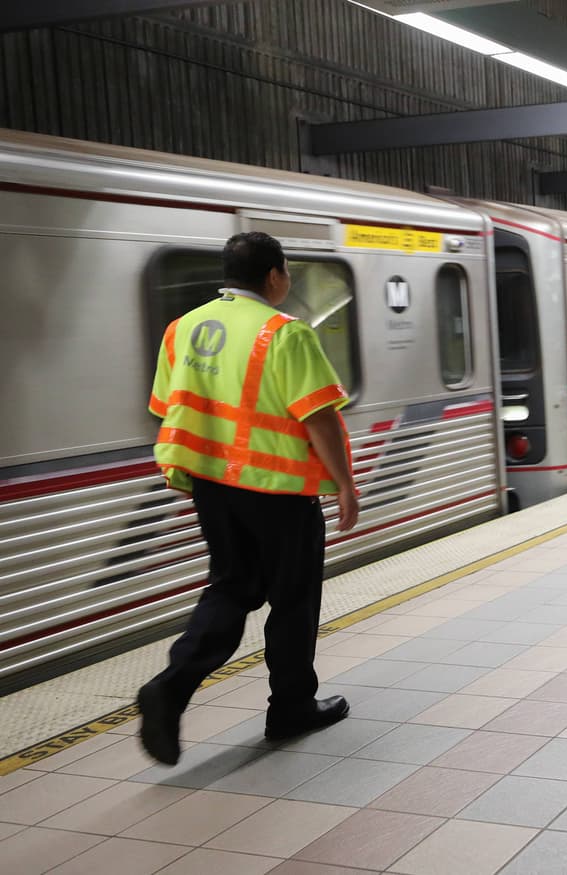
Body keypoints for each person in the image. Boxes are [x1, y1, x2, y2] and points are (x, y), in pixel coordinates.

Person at [137, 231, 360, 765]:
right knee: (292, 601)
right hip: (279, 491)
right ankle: (290, 709)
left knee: (231, 588)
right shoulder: (285, 333)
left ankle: (170, 686)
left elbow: (167, 405)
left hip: (212, 486)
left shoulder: (181, 328)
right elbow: (319, 417)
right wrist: (346, 484)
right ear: (274, 275)